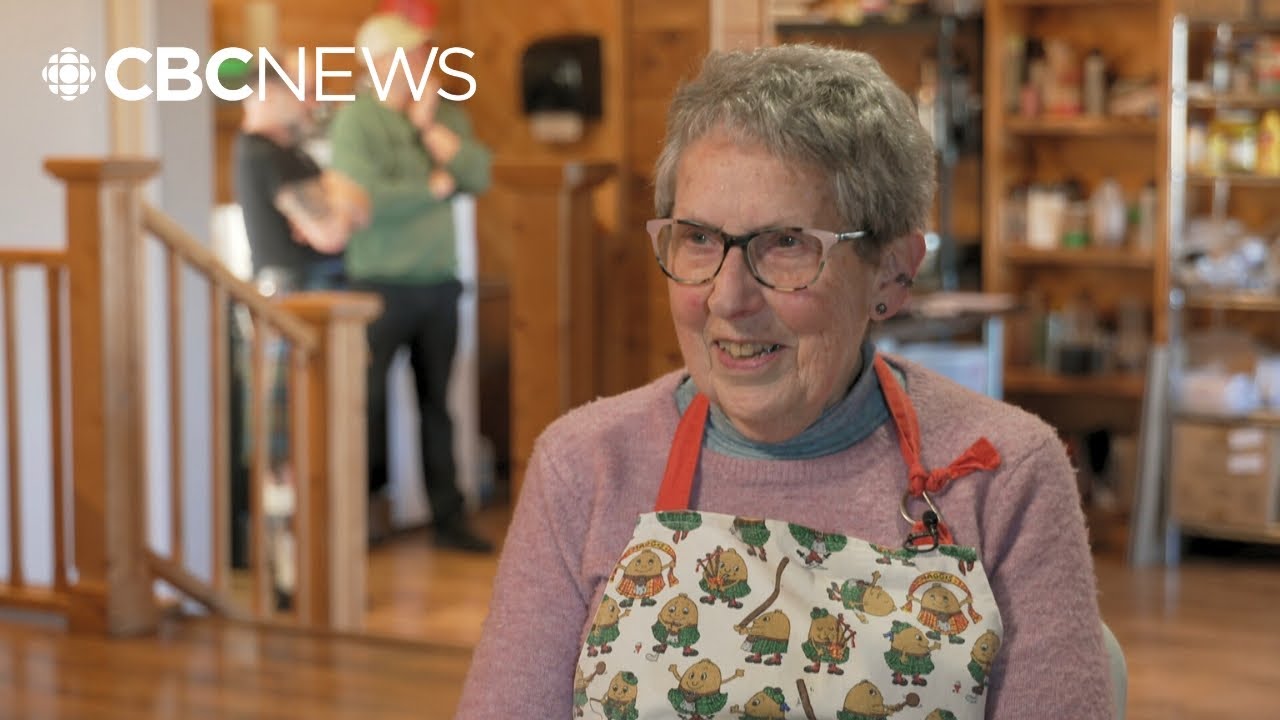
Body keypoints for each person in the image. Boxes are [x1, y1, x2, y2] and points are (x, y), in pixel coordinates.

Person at [456, 45, 1112, 718]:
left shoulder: (1004, 476)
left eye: (787, 244)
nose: (728, 297)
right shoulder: (584, 466)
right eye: (699, 239)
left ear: (891, 271)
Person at [328, 12, 493, 552]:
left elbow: (480, 174)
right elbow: (364, 200)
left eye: (424, 53)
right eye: (413, 55)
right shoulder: (355, 121)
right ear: (378, 63)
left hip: (439, 285)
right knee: (367, 405)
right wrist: (435, 187)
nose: (423, 62)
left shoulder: (441, 114)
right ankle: (360, 521)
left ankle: (448, 520)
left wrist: (429, 132)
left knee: (436, 407)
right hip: (375, 287)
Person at [232, 55, 370, 607]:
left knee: (317, 438)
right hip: (291, 307)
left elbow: (355, 206)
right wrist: (337, 202)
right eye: (303, 88)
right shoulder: (265, 153)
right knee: (286, 447)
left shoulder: (288, 154)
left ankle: (312, 570)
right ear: (269, 89)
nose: (312, 99)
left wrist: (339, 199)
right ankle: (289, 577)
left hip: (312, 304)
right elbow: (335, 228)